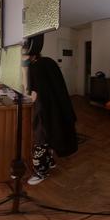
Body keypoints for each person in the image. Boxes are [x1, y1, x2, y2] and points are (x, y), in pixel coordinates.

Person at [25, 44, 78, 185]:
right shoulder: (48, 61)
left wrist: (25, 96)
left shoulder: (34, 67)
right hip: (57, 107)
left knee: (40, 138)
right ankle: (50, 161)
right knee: (50, 135)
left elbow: (33, 95)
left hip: (44, 108)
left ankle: (41, 172)